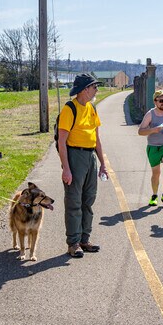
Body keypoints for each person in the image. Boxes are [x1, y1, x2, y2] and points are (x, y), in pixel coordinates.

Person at [57, 73, 107, 258]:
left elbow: (97, 139)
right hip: (75, 156)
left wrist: (103, 164)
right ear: (85, 89)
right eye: (94, 87)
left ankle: (85, 239)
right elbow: (62, 141)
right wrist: (66, 168)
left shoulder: (92, 108)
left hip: (90, 157)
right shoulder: (70, 109)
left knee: (88, 200)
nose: (96, 90)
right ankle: (73, 243)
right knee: (74, 201)